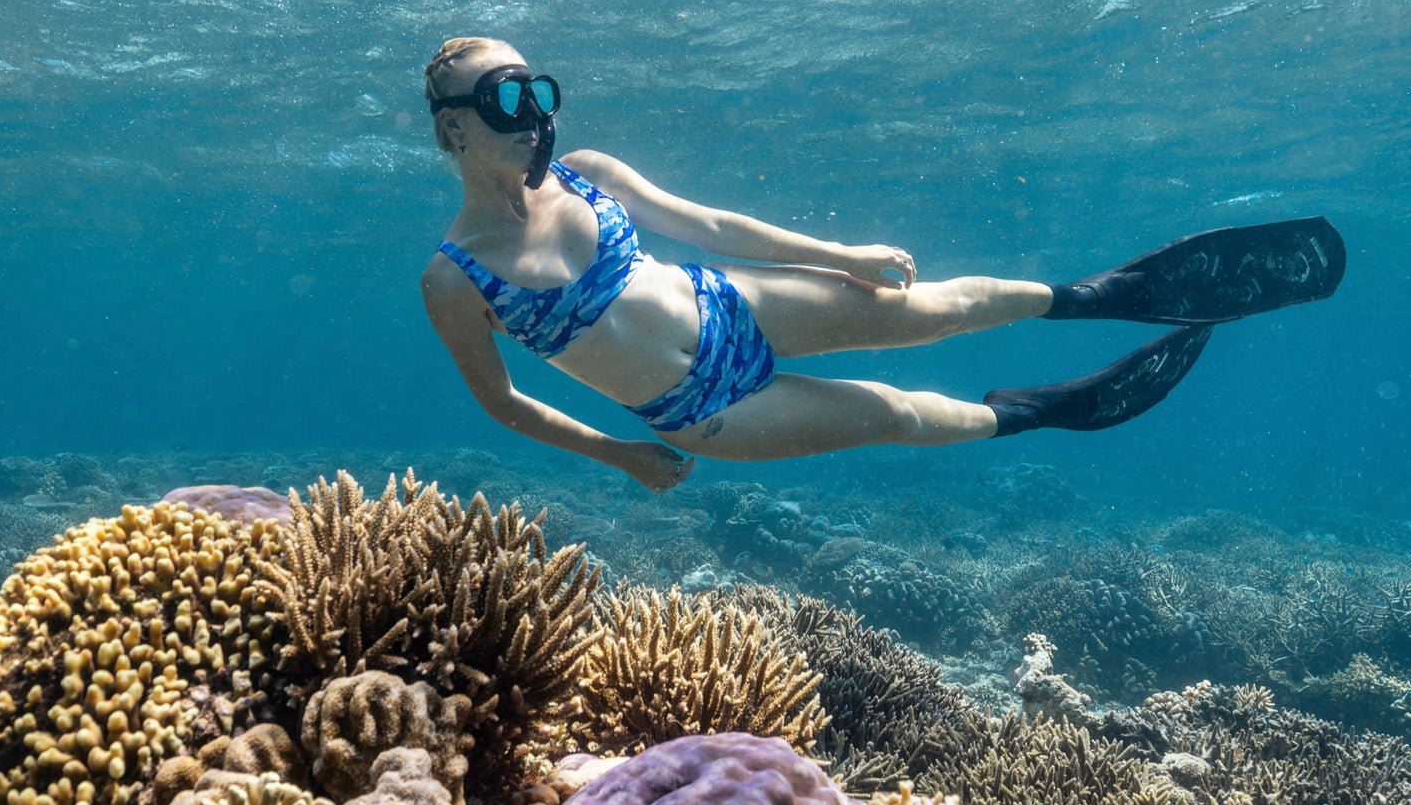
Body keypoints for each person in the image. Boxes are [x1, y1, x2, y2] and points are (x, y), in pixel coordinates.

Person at [420, 37, 1344, 493]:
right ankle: (1044, 411)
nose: (535, 111)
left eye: (539, 89)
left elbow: (709, 221)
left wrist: (839, 253)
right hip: (703, 413)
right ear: (454, 123)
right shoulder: (457, 277)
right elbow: (500, 404)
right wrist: (621, 453)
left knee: (932, 308)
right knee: (895, 413)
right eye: (509, 94)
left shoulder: (588, 173)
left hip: (733, 304)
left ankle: (1106, 294)